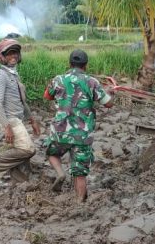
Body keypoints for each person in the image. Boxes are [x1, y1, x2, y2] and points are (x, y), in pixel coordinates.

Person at [43, 49, 113, 202]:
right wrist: (108, 91)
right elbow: (108, 104)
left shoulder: (58, 79)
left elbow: (47, 96)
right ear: (85, 65)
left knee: (52, 153)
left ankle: (61, 173)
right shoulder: (92, 82)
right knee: (79, 172)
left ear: (70, 63)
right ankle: (80, 202)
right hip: (82, 135)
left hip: (60, 132)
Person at [0, 38, 41, 182]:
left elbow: (22, 101)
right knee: (28, 149)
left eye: (15, 52)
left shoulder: (14, 75)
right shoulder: (0, 76)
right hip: (10, 120)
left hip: (18, 120)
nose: (13, 56)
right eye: (9, 53)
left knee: (21, 153)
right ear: (2, 56)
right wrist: (7, 126)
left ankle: (20, 181)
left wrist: (32, 120)